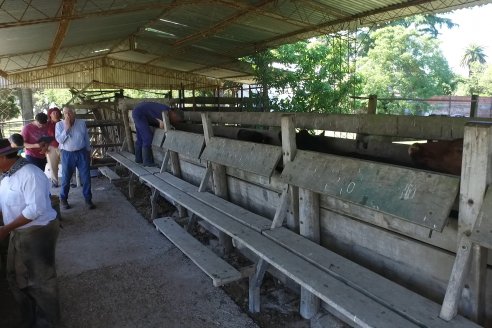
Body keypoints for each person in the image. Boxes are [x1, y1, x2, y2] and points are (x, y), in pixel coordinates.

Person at [0, 138, 60, 328]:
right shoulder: (6, 174)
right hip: (17, 231)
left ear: (2, 158)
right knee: (14, 276)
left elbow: (35, 210)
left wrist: (6, 229)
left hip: (37, 232)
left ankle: (50, 322)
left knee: (42, 281)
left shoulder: (30, 174)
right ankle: (29, 317)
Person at [55, 106, 95, 210]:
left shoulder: (81, 123)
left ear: (74, 113)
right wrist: (67, 128)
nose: (68, 115)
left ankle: (88, 199)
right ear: (63, 114)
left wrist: (88, 151)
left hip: (81, 152)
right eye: (65, 113)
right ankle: (63, 199)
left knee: (86, 177)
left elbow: (86, 137)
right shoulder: (59, 125)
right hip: (67, 154)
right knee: (66, 178)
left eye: (70, 113)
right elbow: (60, 140)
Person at [131, 101, 183, 166]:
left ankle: (138, 159)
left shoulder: (166, 110)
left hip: (138, 111)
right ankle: (147, 162)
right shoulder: (164, 112)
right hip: (139, 113)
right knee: (148, 138)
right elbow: (161, 126)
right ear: (174, 114)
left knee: (140, 137)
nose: (176, 122)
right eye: (176, 120)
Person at [46, 107, 62, 187]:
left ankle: (70, 181)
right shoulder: (47, 124)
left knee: (67, 164)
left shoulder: (63, 123)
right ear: (50, 115)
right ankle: (54, 182)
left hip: (63, 147)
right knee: (53, 166)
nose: (55, 114)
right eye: (53, 113)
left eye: (57, 112)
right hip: (51, 147)